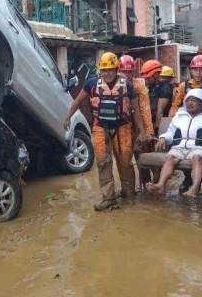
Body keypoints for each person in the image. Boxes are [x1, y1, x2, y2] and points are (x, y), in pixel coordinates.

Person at [64, 52, 149, 211]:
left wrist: (142, 131)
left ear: (117, 69)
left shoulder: (128, 86)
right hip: (100, 128)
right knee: (103, 163)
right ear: (100, 71)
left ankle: (129, 193)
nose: (107, 73)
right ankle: (109, 198)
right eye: (104, 70)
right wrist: (68, 118)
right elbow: (77, 101)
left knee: (125, 162)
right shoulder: (91, 84)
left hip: (122, 127)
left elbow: (136, 111)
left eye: (110, 69)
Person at [145, 88, 202, 198]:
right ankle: (160, 186)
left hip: (200, 147)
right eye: (188, 100)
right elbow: (170, 132)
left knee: (196, 158)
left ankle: (194, 188)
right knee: (170, 157)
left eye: (194, 100)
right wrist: (163, 138)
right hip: (180, 146)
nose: (190, 103)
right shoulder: (179, 116)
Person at [169, 54, 202, 193]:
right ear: (190, 70)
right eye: (195, 69)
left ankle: (195, 184)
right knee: (182, 147)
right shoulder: (183, 86)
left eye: (201, 70)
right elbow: (175, 105)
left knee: (198, 152)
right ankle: (188, 179)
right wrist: (171, 121)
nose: (198, 73)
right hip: (187, 122)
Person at [117, 55, 156, 198]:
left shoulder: (140, 87)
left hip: (138, 130)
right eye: (123, 71)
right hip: (121, 130)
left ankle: (147, 189)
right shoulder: (112, 86)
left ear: (133, 72)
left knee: (143, 161)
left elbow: (145, 111)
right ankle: (128, 191)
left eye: (129, 72)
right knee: (124, 162)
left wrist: (148, 131)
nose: (126, 74)